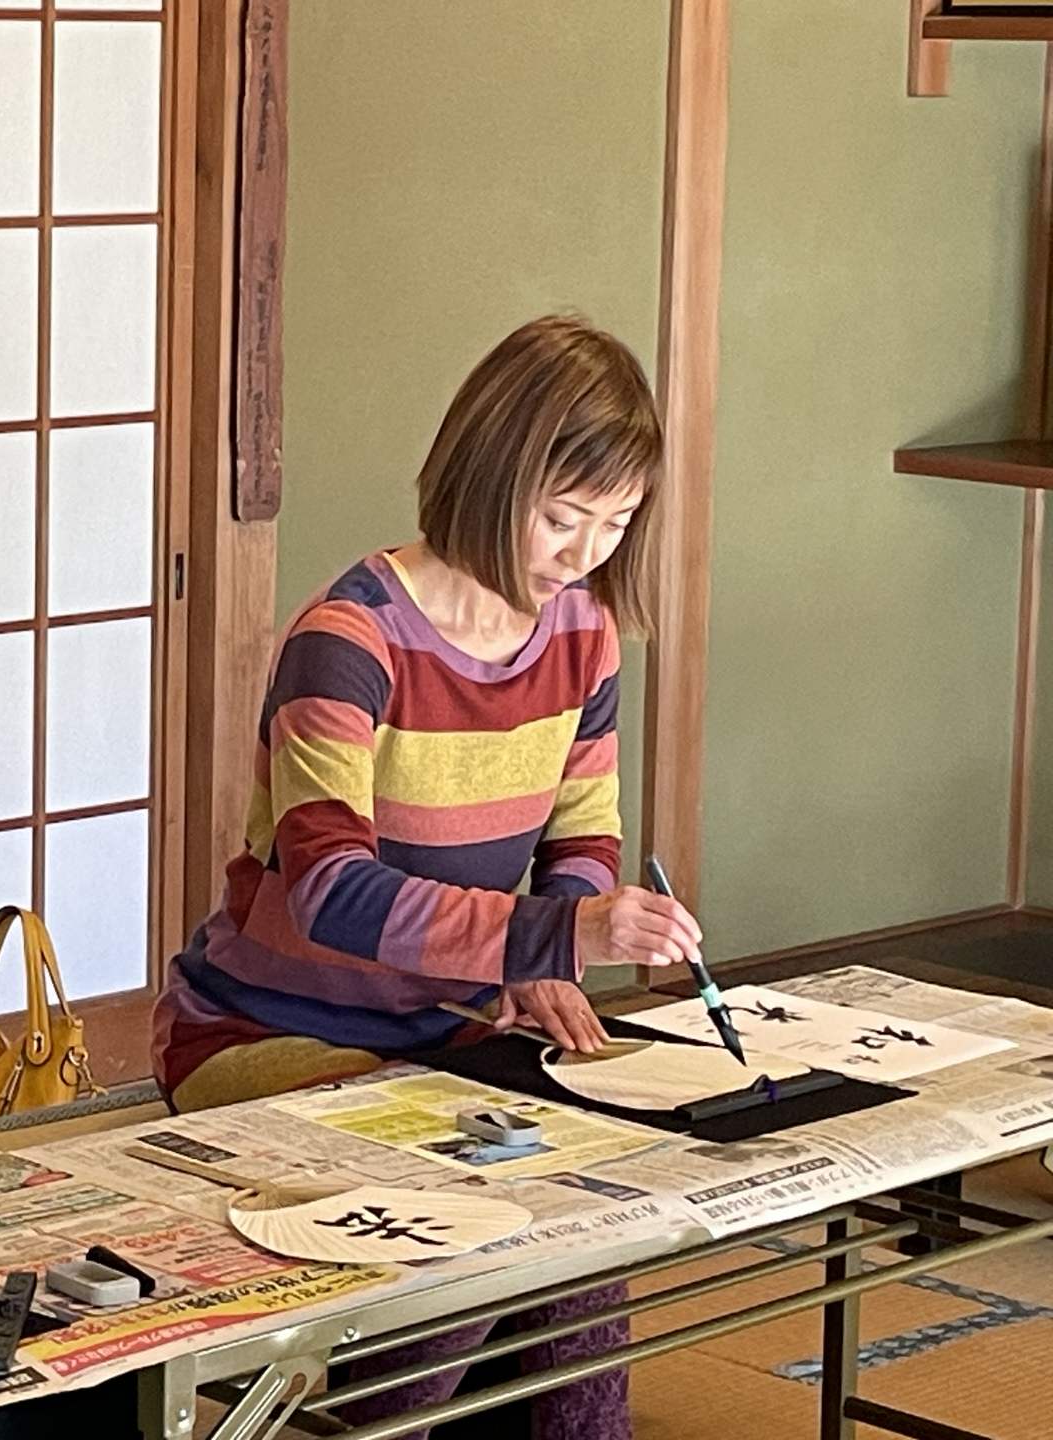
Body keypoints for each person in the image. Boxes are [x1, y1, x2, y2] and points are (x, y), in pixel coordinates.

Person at [150, 314, 704, 1438]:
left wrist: (556, 951)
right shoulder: (348, 640)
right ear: (494, 474)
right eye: (564, 516)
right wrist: (562, 940)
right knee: (458, 1224)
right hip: (261, 1031)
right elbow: (331, 892)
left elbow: (580, 838)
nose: (584, 550)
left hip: (446, 1032)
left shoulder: (581, 634)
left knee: (590, 1227)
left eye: (618, 520)